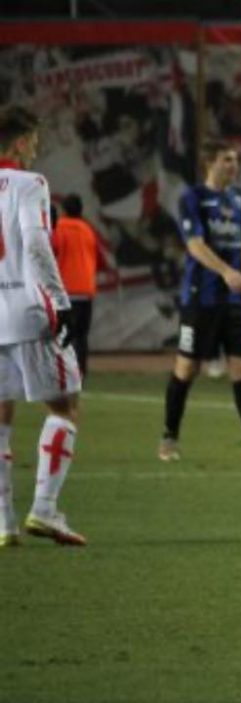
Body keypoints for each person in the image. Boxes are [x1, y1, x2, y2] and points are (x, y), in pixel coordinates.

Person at [158, 140, 241, 463]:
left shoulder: (238, 199)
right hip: (200, 296)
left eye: (236, 160)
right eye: (227, 160)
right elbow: (194, 246)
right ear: (210, 164)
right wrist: (225, 272)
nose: (234, 166)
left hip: (233, 298)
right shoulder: (193, 198)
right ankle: (169, 438)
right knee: (188, 367)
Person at [0, 105, 86, 547]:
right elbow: (35, 243)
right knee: (64, 407)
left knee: (0, 415)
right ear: (18, 142)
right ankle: (45, 510)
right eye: (32, 141)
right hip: (28, 310)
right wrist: (59, 299)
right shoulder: (28, 184)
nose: (35, 149)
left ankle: (3, 523)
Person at [50, 193, 103, 380]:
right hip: (86, 290)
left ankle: (62, 371)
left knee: (61, 335)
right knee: (81, 335)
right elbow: (99, 259)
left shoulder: (58, 228)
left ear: (63, 209)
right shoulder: (88, 230)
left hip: (64, 291)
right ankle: (81, 372)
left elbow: (48, 254)